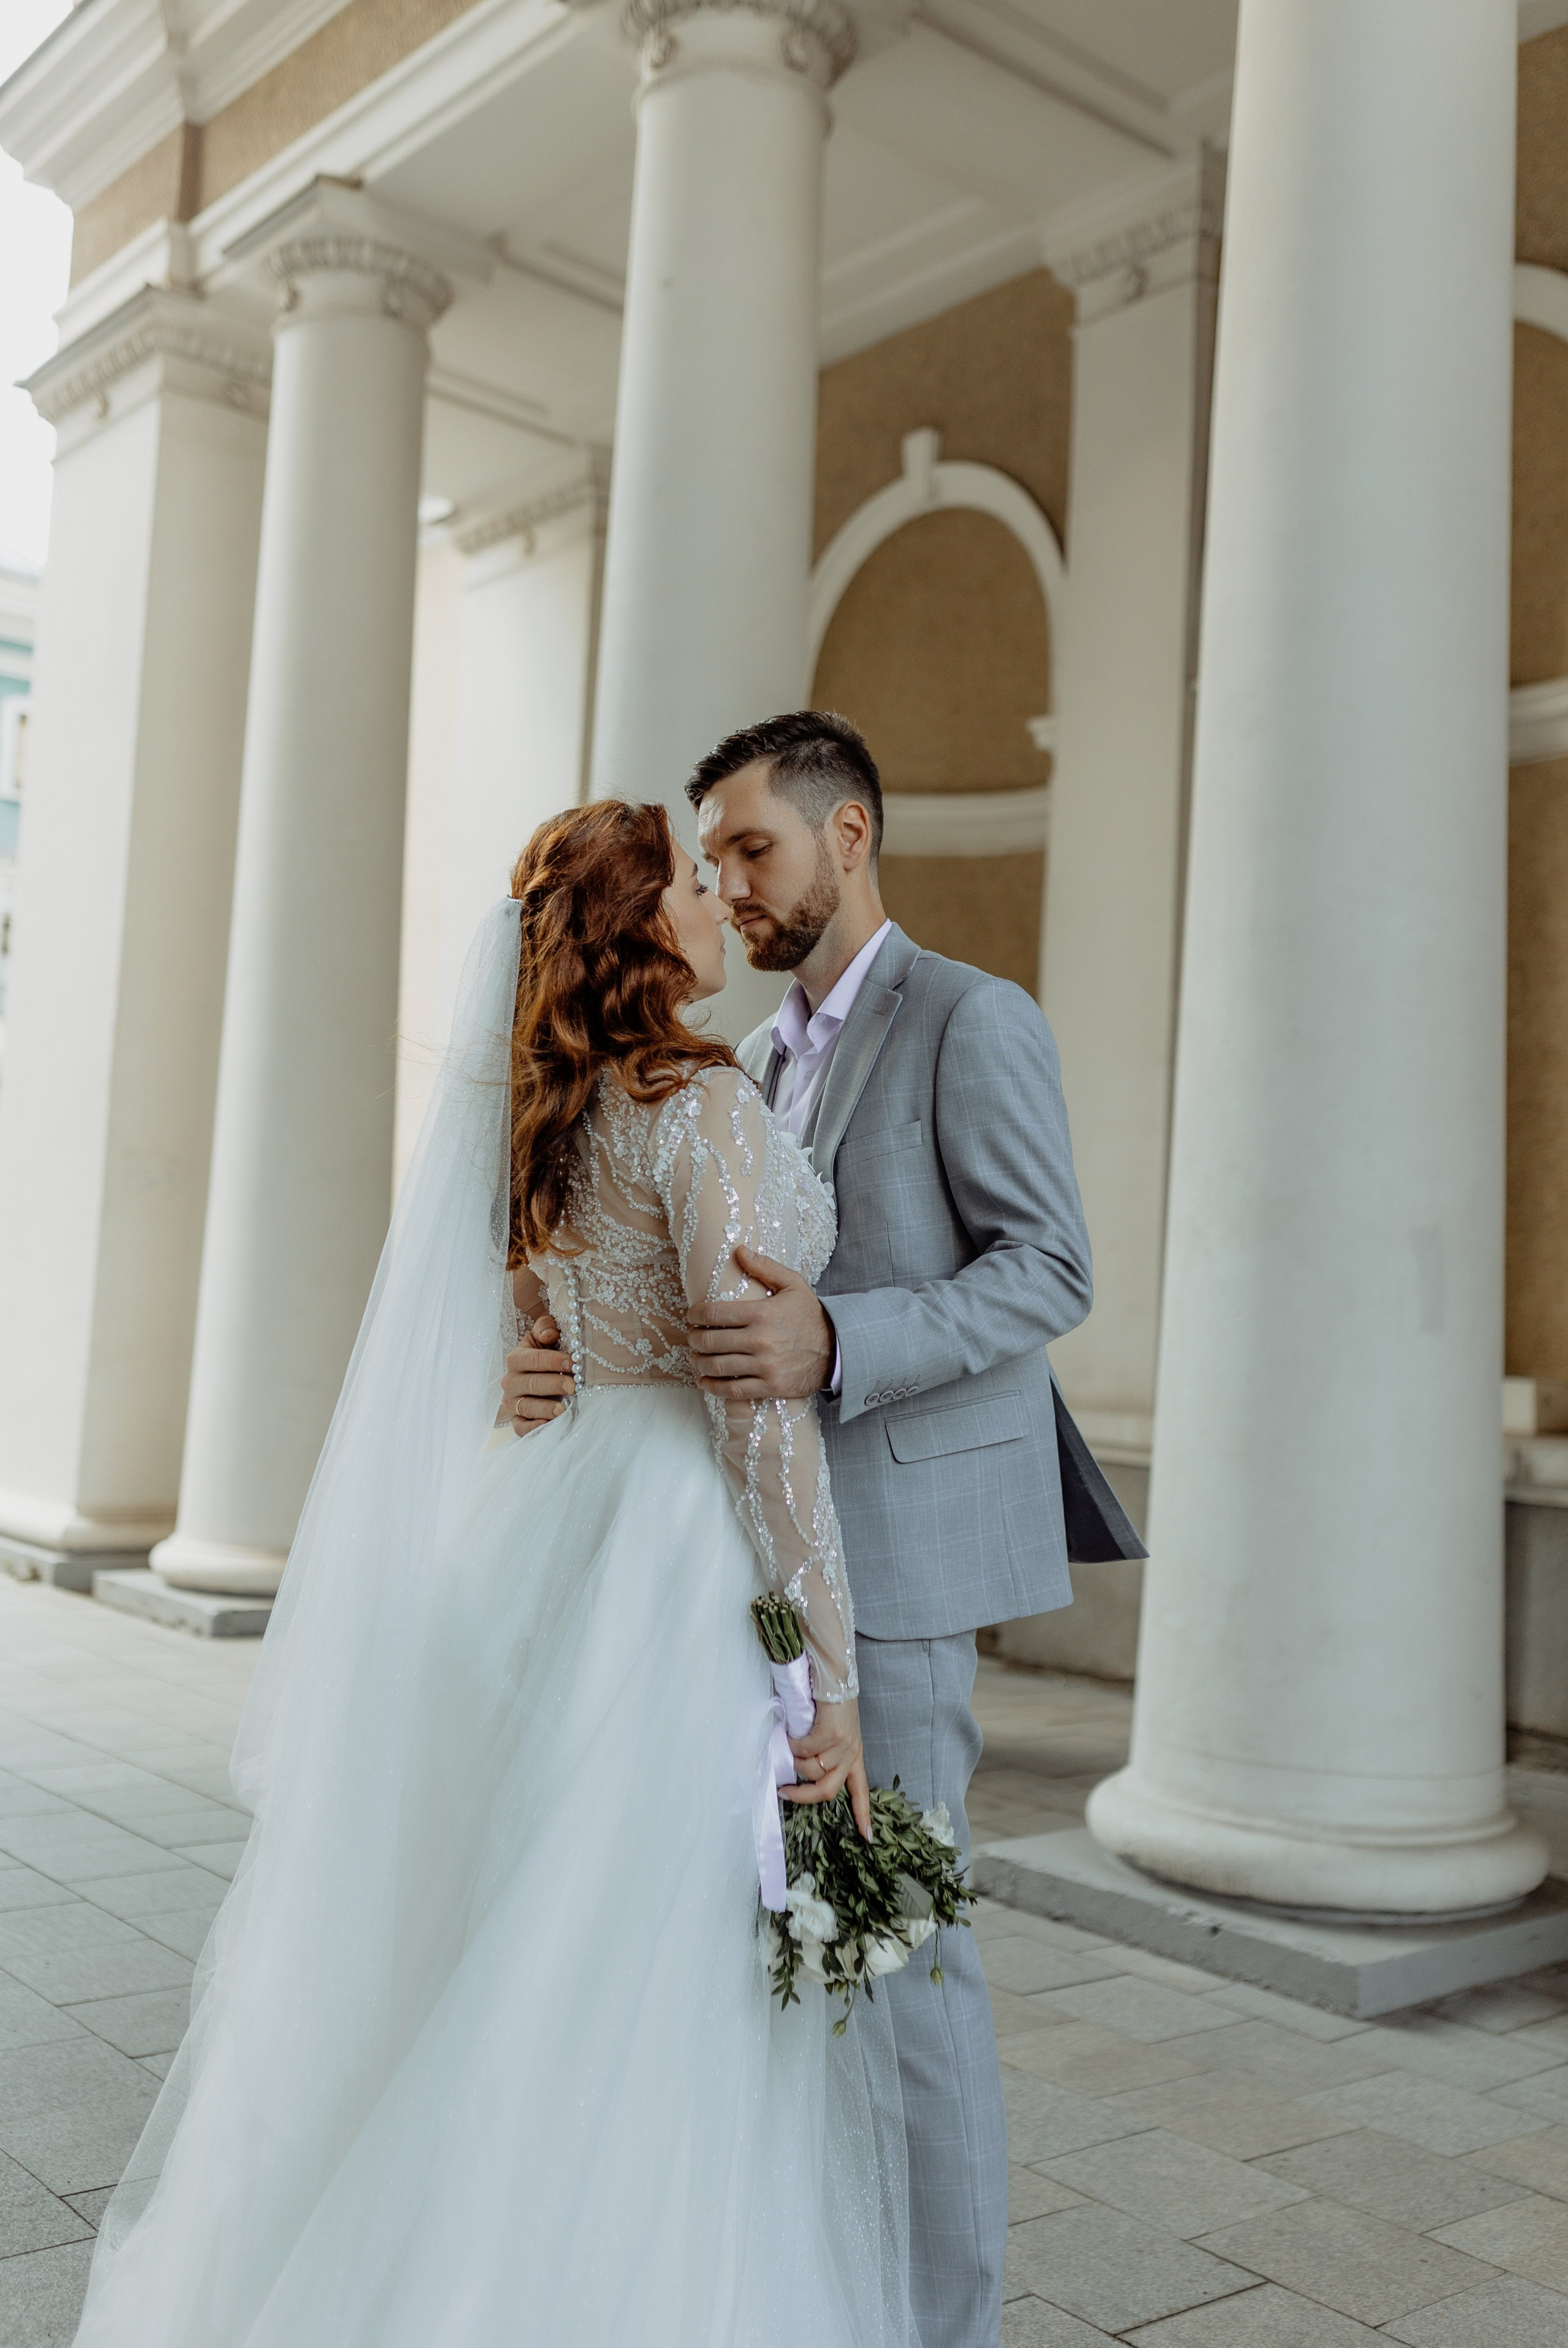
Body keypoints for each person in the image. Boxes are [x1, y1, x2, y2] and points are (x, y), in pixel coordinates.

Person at [71, 801, 910, 2348]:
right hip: (667, 1552)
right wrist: (833, 1686)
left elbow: (521, 1333)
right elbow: (750, 1408)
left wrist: (547, 1371)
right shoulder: (701, 1101)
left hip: (548, 1525)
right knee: (640, 1971)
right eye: (691, 880)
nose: (721, 903)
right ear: (644, 922)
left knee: (516, 1926)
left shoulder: (549, 1110)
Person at [505, 711, 1144, 2348]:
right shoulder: (756, 1055)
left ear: (847, 835)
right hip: (755, 1587)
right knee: (791, 1964)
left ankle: (947, 2328)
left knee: (901, 1960)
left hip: (896, 1578)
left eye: (751, 848)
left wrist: (840, 1342)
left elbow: (1051, 1269)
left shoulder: (968, 1020)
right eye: (710, 859)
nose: (729, 880)